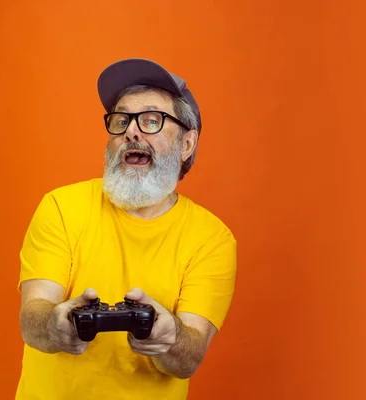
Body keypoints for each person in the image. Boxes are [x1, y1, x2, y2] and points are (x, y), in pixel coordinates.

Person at [15, 58, 237, 400]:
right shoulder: (62, 207)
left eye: (152, 120)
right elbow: (32, 318)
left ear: (187, 144)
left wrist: (169, 337)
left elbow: (189, 357)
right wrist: (55, 325)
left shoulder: (212, 239)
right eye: (122, 120)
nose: (131, 131)